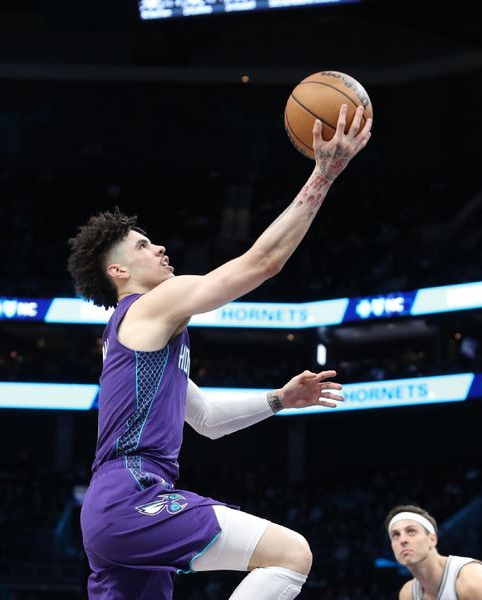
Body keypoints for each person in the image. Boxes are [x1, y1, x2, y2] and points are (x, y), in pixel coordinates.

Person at [67, 105, 371, 600]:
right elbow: (263, 262)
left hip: (113, 513)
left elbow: (205, 418)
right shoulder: (147, 307)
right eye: (143, 245)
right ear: (118, 272)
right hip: (134, 495)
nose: (160, 248)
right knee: (292, 554)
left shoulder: (136, 340)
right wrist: (324, 174)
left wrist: (279, 400)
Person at [384, 505, 482, 600]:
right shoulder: (408, 594)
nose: (403, 540)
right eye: (395, 535)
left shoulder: (472, 579)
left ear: (432, 539)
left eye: (411, 531)